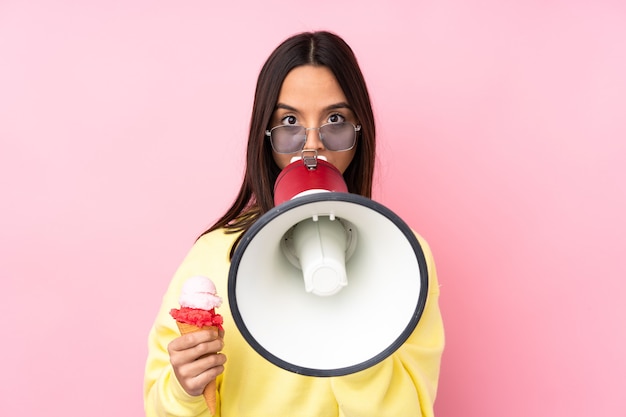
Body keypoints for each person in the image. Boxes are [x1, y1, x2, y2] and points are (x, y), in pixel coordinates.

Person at [144, 30, 444, 417]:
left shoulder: (405, 255)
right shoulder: (214, 256)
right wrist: (184, 391)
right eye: (289, 121)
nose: (312, 145)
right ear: (265, 136)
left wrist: (361, 345)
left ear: (360, 129)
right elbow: (159, 406)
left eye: (335, 119)